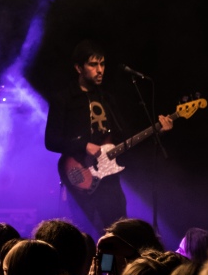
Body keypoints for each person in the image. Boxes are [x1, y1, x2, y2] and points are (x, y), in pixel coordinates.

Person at [44, 40, 173, 235]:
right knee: (83, 235)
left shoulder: (107, 99)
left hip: (110, 180)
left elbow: (126, 139)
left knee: (117, 236)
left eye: (102, 64)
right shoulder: (64, 99)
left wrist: (158, 130)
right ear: (79, 68)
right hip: (80, 176)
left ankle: (107, 266)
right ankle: (86, 266)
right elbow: (51, 140)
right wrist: (83, 145)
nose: (100, 70)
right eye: (93, 64)